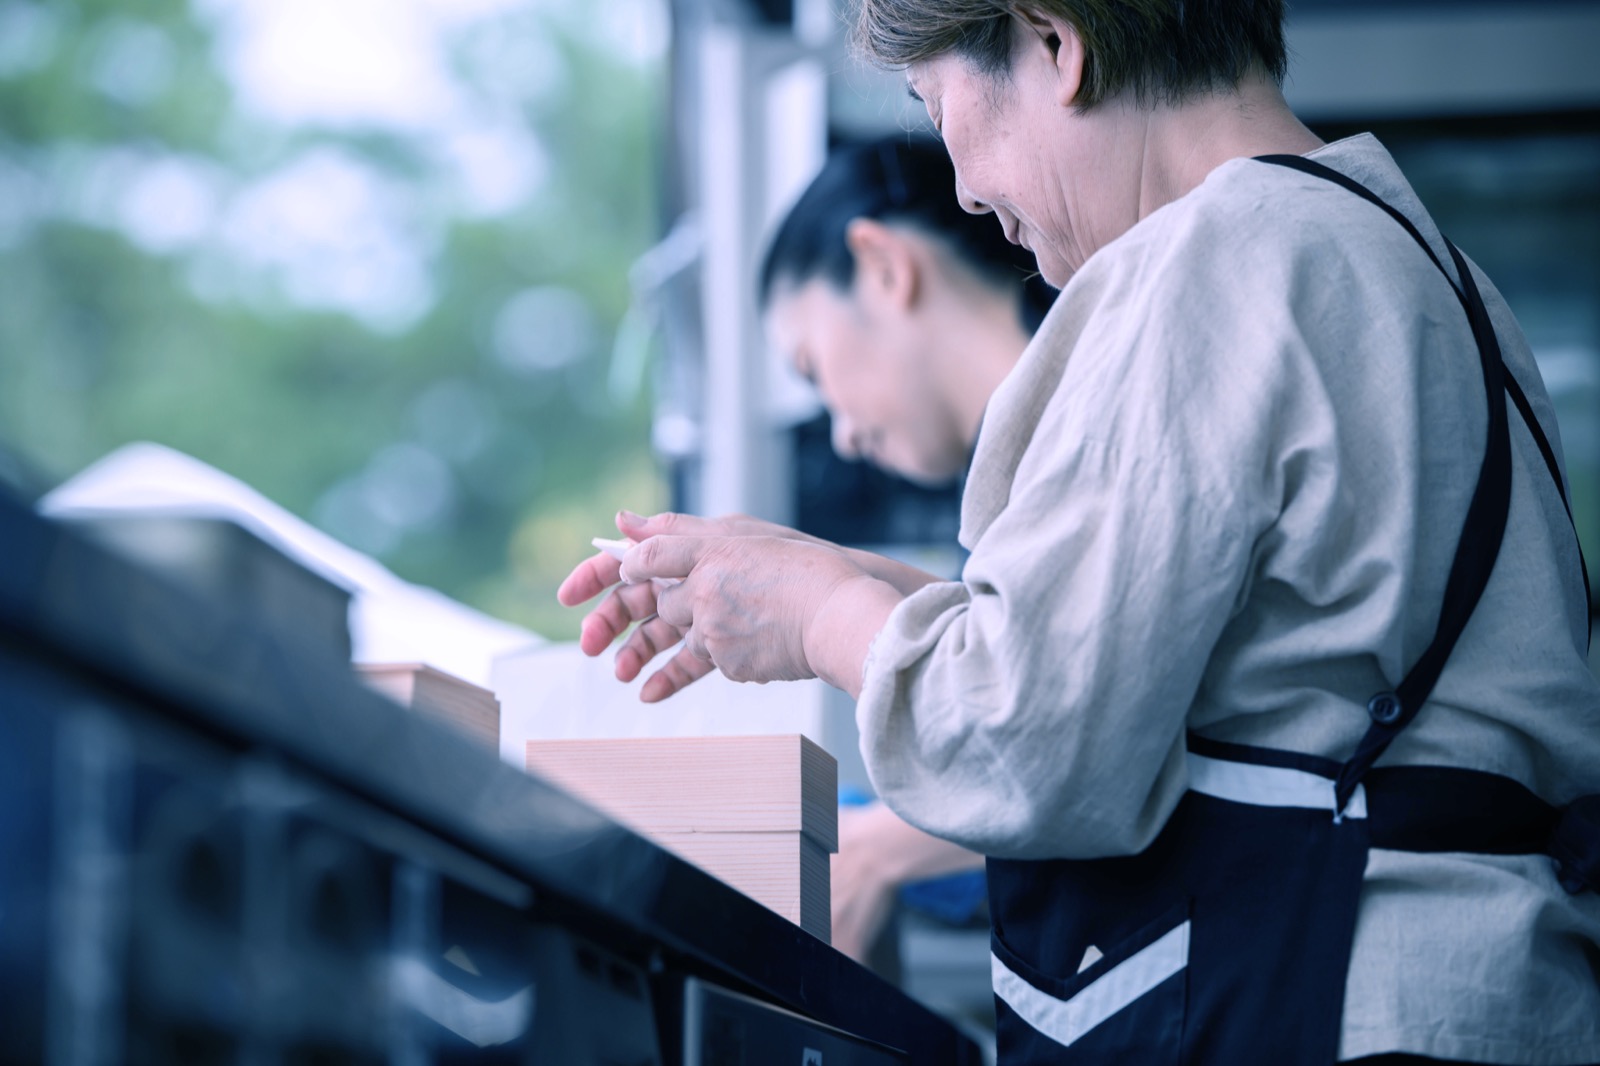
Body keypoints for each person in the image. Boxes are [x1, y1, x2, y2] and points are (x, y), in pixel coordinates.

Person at [560, 3, 1600, 1064]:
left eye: (934, 104)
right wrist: (834, 585)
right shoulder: (1427, 269)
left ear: (1054, 43)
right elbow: (1238, 666)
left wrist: (823, 615)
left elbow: (1025, 743)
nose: (960, 188)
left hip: (1330, 1003)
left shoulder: (1210, 257)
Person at [758, 134, 1054, 966]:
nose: (843, 436)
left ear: (884, 267)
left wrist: (880, 849)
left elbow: (1054, 738)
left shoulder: (1076, 444)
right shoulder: (1022, 483)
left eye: (814, 369)